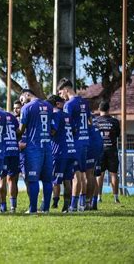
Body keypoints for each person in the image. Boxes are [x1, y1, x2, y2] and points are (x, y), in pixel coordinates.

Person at [57, 78, 93, 212]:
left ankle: (73, 205)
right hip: (86, 140)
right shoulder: (84, 101)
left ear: (66, 90)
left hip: (75, 142)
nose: (61, 96)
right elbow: (90, 122)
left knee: (76, 174)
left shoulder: (69, 104)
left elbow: (67, 124)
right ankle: (84, 203)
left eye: (61, 93)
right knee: (84, 173)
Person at [17, 89, 54, 214]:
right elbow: (53, 128)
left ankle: (33, 209)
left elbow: (21, 130)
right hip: (48, 147)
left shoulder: (27, 108)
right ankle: (46, 209)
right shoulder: (49, 106)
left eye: (22, 99)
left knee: (32, 179)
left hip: (34, 147)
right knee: (47, 180)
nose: (22, 103)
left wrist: (13, 136)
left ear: (27, 94)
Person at [47, 95, 75, 213]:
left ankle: (53, 203)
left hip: (59, 152)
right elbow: (74, 131)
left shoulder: (56, 115)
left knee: (55, 180)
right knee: (67, 180)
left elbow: (53, 131)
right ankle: (66, 206)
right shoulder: (68, 116)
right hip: (70, 150)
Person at [94, 101, 121, 203]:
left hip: (99, 150)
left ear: (99, 110)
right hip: (112, 150)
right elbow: (118, 134)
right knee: (113, 174)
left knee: (99, 174)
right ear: (109, 109)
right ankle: (116, 198)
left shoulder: (95, 121)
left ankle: (99, 197)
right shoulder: (114, 121)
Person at [1, 109, 20, 213]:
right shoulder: (12, 117)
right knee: (11, 179)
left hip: (3, 150)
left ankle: (3, 206)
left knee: (1, 178)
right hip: (14, 150)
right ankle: (13, 206)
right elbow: (18, 132)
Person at [88, 121, 104, 210]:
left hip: (91, 150)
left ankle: (88, 202)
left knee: (89, 176)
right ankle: (93, 203)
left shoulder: (88, 125)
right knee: (93, 176)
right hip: (98, 150)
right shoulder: (95, 122)